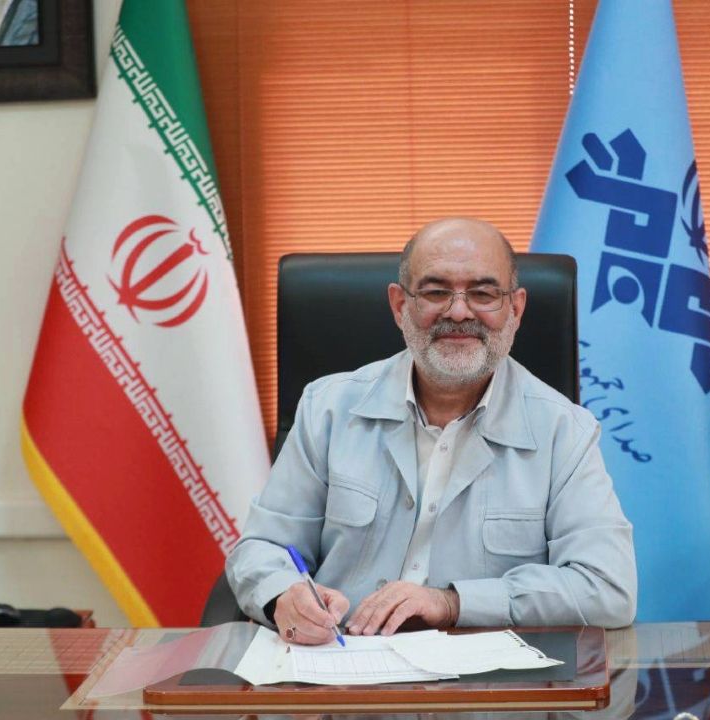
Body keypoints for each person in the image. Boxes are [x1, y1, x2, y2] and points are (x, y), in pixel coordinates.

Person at [226, 217, 637, 645]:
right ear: (399, 306)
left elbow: (607, 588)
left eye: (483, 293)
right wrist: (284, 595)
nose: (458, 312)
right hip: (340, 664)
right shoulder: (327, 408)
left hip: (485, 677)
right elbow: (262, 548)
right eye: (436, 292)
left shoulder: (563, 431)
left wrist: (453, 603)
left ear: (515, 309)